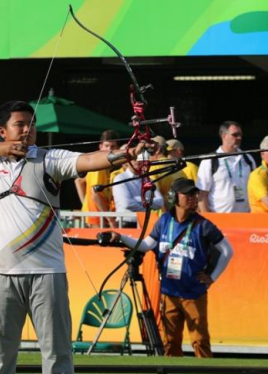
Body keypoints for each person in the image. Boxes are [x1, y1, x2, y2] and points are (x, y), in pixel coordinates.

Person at [0, 100, 153, 374]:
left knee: (57, 354)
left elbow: (89, 160)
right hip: (2, 273)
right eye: (19, 125)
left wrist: (126, 154)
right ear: (2, 131)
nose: (27, 130)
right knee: (2, 354)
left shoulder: (49, 160)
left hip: (48, 273)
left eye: (31, 125)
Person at [103, 178, 233, 358]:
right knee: (170, 342)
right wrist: (120, 237)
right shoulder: (164, 221)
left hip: (194, 293)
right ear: (174, 196)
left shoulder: (203, 225)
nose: (193, 198)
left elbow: (227, 250)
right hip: (169, 291)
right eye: (187, 194)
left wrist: (212, 277)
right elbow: (146, 245)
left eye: (195, 194)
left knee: (200, 341)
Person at [197, 121, 256, 213]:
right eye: (235, 135)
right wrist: (208, 220)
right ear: (224, 136)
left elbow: (255, 190)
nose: (239, 138)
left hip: (246, 219)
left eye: (240, 134)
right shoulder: (210, 160)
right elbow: (202, 194)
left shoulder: (248, 159)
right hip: (220, 219)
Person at [74, 130, 120, 227]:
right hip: (97, 220)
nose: (109, 150)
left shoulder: (102, 165)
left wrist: (85, 205)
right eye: (106, 146)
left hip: (95, 217)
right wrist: (110, 220)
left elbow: (79, 181)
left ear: (117, 149)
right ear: (100, 146)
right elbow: (95, 194)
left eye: (112, 146)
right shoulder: (100, 167)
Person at [112, 153, 164, 228]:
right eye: (134, 158)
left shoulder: (148, 180)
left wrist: (137, 199)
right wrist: (147, 206)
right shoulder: (120, 179)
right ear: (127, 161)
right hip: (126, 224)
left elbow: (160, 202)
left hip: (144, 224)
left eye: (140, 158)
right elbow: (127, 204)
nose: (137, 161)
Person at [150, 135, 186, 208]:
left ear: (158, 150)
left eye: (149, 149)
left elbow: (154, 196)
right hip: (177, 212)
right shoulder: (178, 168)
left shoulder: (153, 168)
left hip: (161, 215)